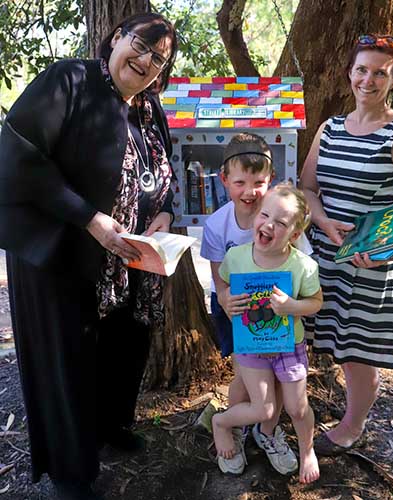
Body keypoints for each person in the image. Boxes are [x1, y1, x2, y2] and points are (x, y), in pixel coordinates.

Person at [0, 13, 177, 500]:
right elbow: (17, 155)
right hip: (60, 252)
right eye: (140, 46)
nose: (145, 62)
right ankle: (70, 471)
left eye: (158, 59)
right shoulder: (70, 80)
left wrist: (163, 213)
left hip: (125, 259)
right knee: (68, 357)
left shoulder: (149, 108)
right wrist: (90, 219)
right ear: (117, 37)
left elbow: (163, 171)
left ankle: (108, 427)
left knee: (122, 345)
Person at [299, 34, 393, 456]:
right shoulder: (330, 128)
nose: (367, 80)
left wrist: (379, 252)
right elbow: (308, 189)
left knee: (358, 353)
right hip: (325, 256)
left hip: (370, 264)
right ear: (349, 73)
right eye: (361, 70)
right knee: (330, 340)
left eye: (379, 73)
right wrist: (321, 220)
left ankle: (352, 426)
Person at [200, 133, 298, 476]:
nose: (249, 191)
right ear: (224, 179)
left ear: (270, 180)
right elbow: (217, 272)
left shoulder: (283, 218)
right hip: (235, 306)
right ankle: (233, 426)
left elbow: (299, 261)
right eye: (240, 181)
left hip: (277, 310)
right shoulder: (217, 224)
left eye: (258, 182)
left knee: (276, 376)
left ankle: (266, 431)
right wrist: (225, 297)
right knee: (246, 373)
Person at [212, 184, 323, 484]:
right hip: (250, 346)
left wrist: (292, 306)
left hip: (290, 346)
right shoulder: (236, 257)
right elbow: (221, 284)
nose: (268, 224)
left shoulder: (304, 266)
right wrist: (224, 299)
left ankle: (306, 449)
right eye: (264, 215)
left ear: (295, 235)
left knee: (298, 407)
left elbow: (316, 302)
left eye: (281, 223)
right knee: (264, 407)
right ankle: (222, 423)